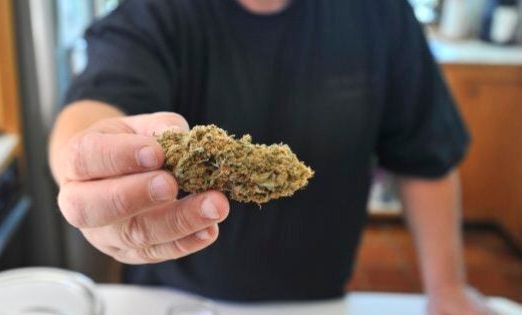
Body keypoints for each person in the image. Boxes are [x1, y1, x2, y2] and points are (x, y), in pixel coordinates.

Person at [48, 0, 493, 314]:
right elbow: (96, 105)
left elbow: (424, 159)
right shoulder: (154, 13)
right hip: (174, 297)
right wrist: (84, 162)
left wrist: (448, 288)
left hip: (318, 300)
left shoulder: (380, 13)